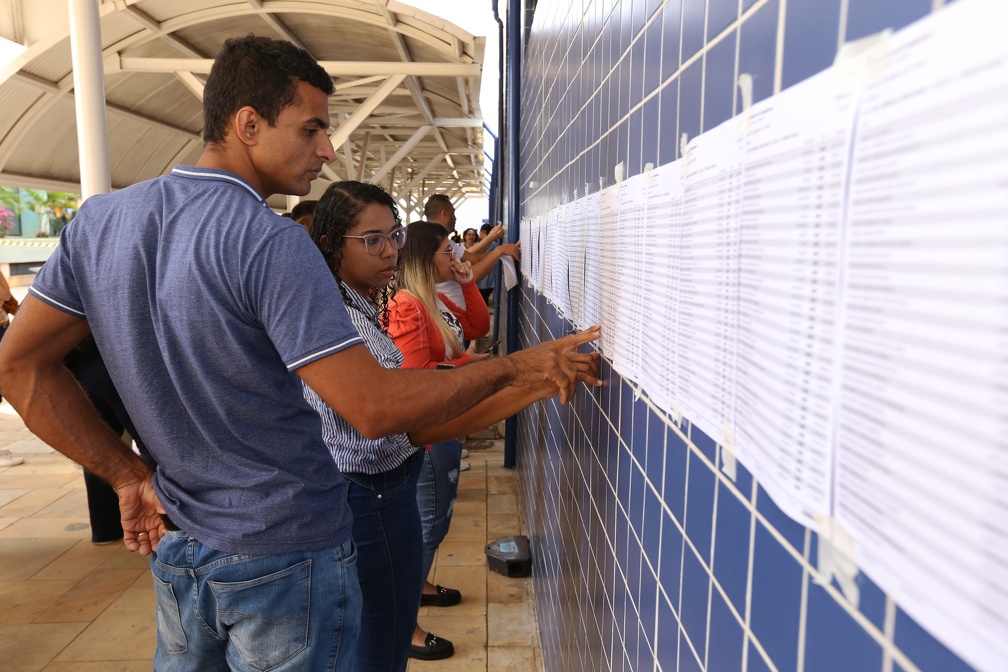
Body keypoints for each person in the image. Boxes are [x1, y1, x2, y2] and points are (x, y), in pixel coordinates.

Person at [0, 35, 597, 671]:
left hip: (182, 550)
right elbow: (372, 407)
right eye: (310, 128)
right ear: (247, 124)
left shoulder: (99, 224)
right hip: (284, 557)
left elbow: (18, 366)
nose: (327, 149)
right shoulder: (269, 239)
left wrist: (126, 474)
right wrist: (518, 366)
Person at [302, 181, 595, 669]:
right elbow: (414, 421)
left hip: (382, 489)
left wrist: (540, 383)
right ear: (332, 245)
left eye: (393, 236)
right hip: (368, 495)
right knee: (382, 637)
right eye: (371, 240)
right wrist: (520, 373)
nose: (389, 251)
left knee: (384, 629)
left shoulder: (363, 303)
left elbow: (426, 411)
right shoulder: (343, 317)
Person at [386, 221, 494, 659]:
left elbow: (478, 323)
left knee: (438, 517)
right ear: (423, 259)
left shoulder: (432, 297)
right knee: (429, 523)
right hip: (428, 434)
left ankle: (422, 586)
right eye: (448, 251)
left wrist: (468, 284)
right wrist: (468, 365)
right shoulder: (407, 306)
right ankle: (404, 625)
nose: (457, 257)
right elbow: (414, 380)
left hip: (447, 422)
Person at [423, 194, 516, 309]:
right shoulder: (430, 245)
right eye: (453, 213)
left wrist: (504, 251)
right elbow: (468, 276)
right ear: (445, 213)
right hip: (446, 318)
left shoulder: (447, 242)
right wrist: (499, 251)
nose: (455, 218)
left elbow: (475, 258)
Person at [476, 223, 500, 307]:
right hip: (485, 279)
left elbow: (477, 257)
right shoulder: (492, 244)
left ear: (482, 232)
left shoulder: (489, 244)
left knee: (482, 301)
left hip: (486, 280)